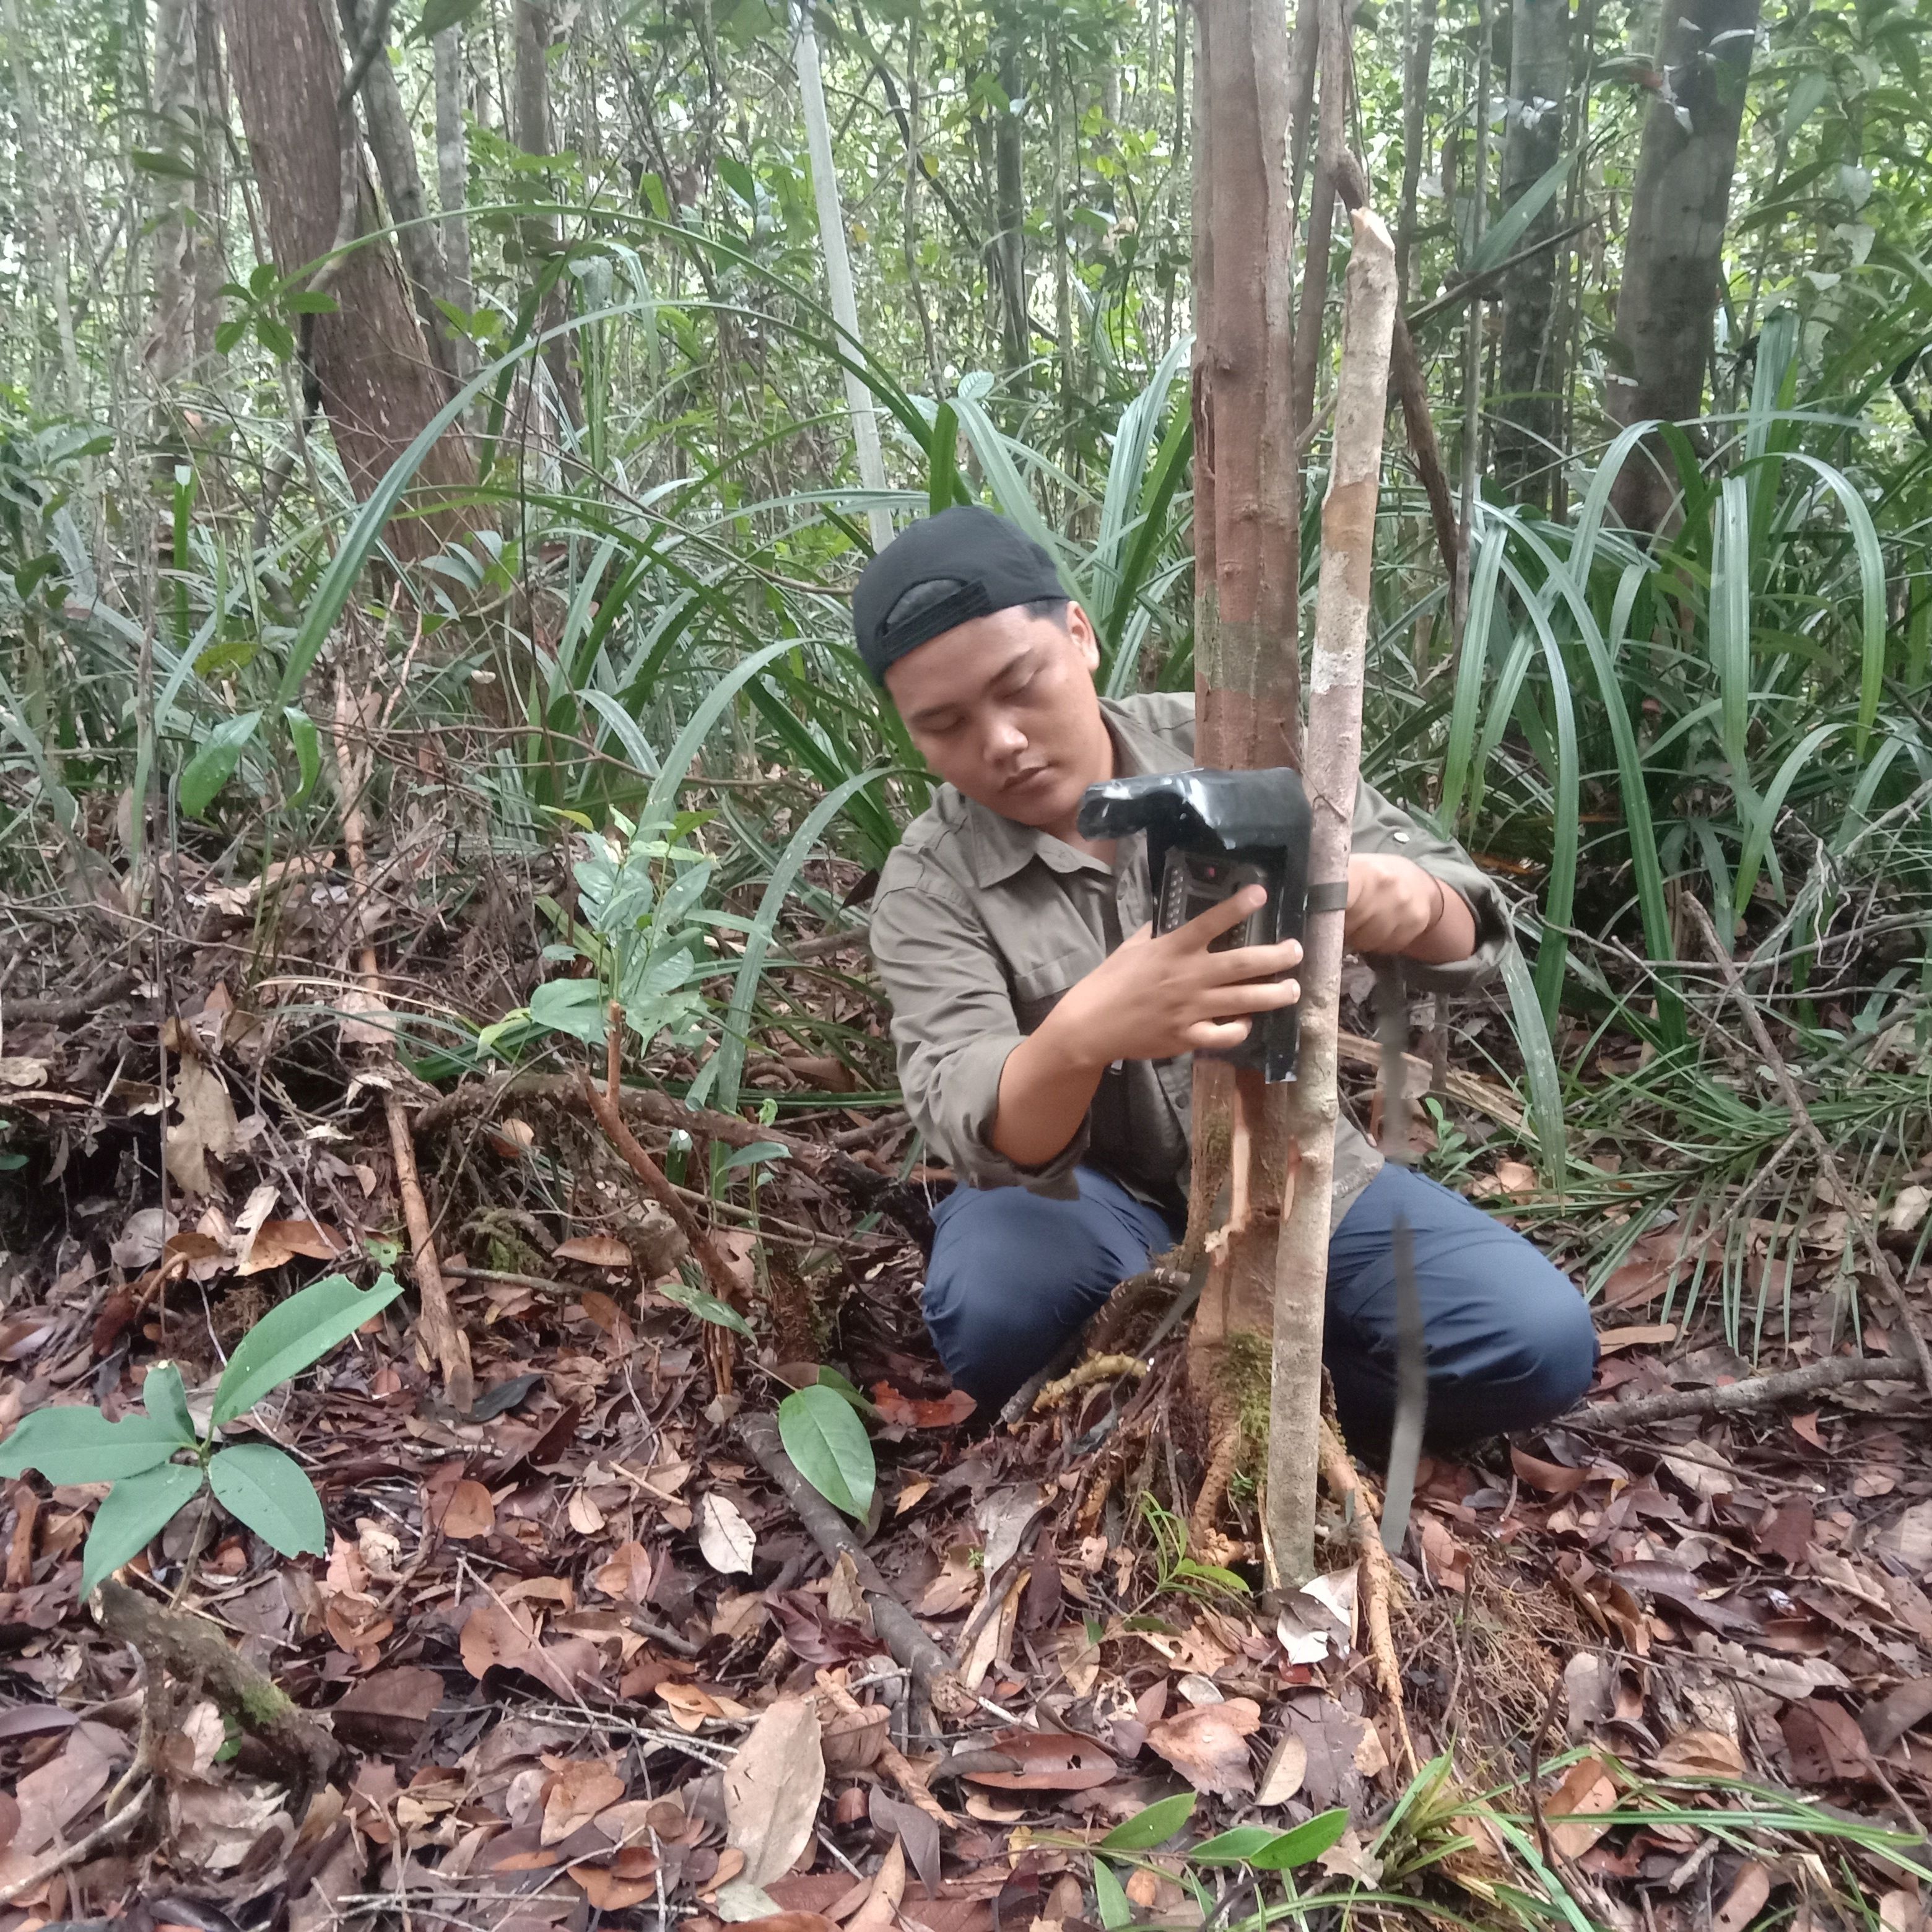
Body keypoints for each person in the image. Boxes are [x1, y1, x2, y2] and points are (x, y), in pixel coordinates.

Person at [857, 505, 1596, 1450]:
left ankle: (1254, 1399)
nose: (999, 742)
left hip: (1289, 1162)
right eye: (946, 725)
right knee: (997, 1311)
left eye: (1019, 684)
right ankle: (1173, 1393)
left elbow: (1471, 924)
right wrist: (1086, 1031)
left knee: (1536, 1345)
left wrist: (1400, 899)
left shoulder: (1232, 741)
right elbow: (986, 1128)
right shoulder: (931, 879)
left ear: (1078, 636)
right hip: (1083, 1204)